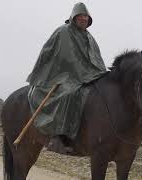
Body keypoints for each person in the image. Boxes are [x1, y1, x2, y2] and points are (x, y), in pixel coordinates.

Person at [26, 2, 106, 154]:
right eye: (81, 16)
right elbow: (63, 57)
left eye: (86, 17)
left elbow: (95, 59)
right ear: (74, 17)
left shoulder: (89, 37)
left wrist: (101, 73)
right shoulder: (63, 32)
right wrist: (82, 73)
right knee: (69, 93)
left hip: (86, 74)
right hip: (62, 74)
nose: (84, 19)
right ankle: (57, 135)